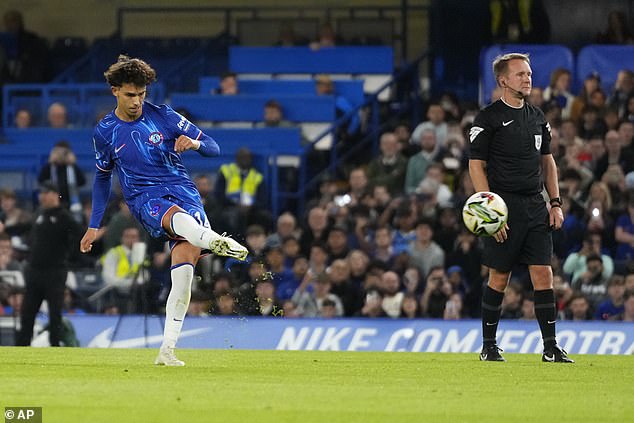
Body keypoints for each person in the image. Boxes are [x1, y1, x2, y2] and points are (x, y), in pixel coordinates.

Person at [79, 55, 248, 366]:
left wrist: (193, 144)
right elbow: (102, 177)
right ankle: (212, 240)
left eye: (142, 94)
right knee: (177, 220)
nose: (137, 101)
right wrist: (94, 224)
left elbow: (213, 147)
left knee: (183, 277)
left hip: (184, 191)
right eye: (130, 94)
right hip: (145, 198)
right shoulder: (105, 131)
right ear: (115, 91)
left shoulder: (165, 116)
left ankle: (166, 351)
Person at [469, 52, 574, 363]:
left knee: (544, 275)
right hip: (504, 205)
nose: (527, 78)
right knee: (499, 277)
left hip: (535, 205)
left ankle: (550, 348)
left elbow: (548, 163)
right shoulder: (487, 118)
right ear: (503, 80)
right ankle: (489, 346)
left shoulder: (538, 117)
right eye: (520, 74)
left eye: (528, 73)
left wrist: (555, 203)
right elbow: (476, 166)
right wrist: (490, 211)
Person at [17, 182, 82, 347]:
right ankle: (22, 346)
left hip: (55, 272)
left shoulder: (64, 217)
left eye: (45, 193)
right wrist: (8, 229)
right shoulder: (39, 214)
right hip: (35, 272)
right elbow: (25, 228)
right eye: (41, 193)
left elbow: (79, 236)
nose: (42, 196)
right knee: (27, 312)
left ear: (54, 195)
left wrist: (70, 257)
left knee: (55, 313)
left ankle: (55, 346)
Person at [37, 141, 86, 220]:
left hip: (70, 202)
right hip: (53, 202)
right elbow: (41, 180)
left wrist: (73, 164)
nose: (61, 156)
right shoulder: (50, 168)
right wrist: (50, 163)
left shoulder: (71, 168)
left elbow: (82, 181)